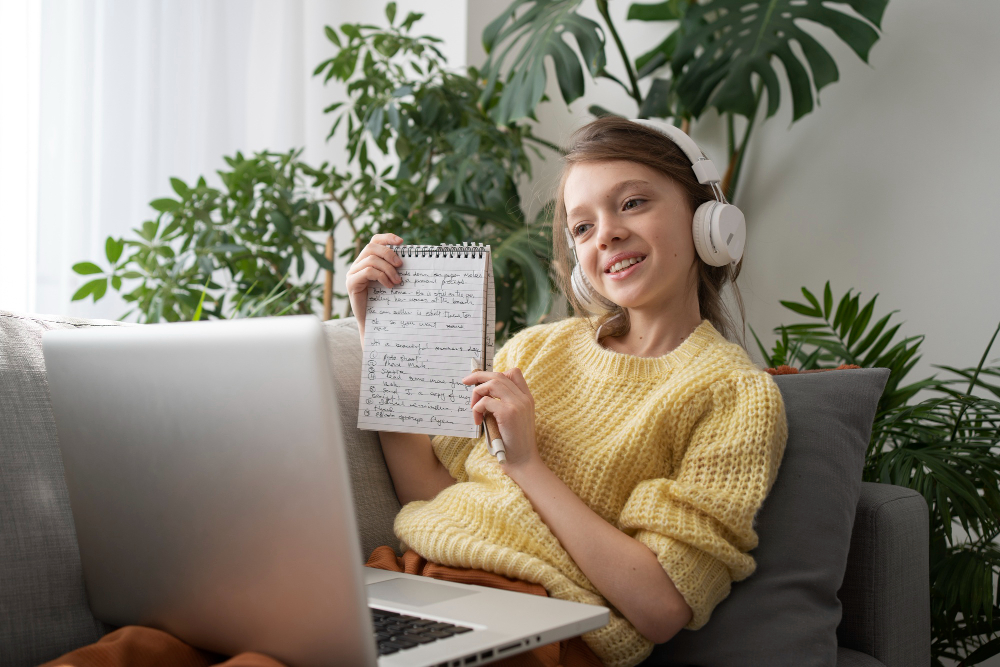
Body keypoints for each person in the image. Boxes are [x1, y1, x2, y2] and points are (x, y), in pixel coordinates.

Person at [345, 116, 789, 667]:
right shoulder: (535, 352)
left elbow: (662, 606)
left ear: (706, 219)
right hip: (410, 579)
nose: (606, 233)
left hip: (535, 628)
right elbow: (429, 489)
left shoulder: (734, 396)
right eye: (581, 227)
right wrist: (385, 342)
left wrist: (527, 464)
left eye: (632, 203)